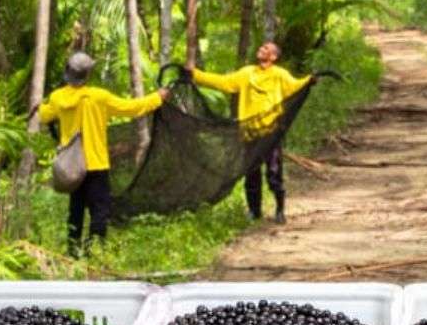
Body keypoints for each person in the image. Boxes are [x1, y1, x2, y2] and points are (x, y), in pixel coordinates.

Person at [37, 51, 164, 252]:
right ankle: (94, 250)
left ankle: (73, 250)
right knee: (100, 210)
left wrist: (42, 106)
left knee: (75, 209)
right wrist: (158, 97)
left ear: (68, 73)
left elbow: (43, 116)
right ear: (87, 75)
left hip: (73, 166)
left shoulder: (57, 98)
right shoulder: (99, 97)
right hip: (96, 163)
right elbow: (132, 108)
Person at [191, 39, 313, 221]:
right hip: (249, 133)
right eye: (261, 47)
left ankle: (280, 210)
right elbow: (224, 82)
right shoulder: (247, 73)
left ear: (273, 57)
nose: (261, 49)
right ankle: (254, 211)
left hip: (270, 133)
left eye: (266, 48)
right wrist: (195, 74)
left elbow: (295, 86)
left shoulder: (279, 75)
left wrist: (310, 80)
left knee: (274, 172)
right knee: (251, 173)